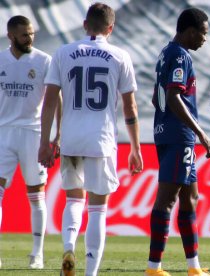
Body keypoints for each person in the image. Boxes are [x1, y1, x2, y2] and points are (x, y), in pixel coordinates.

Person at [38, 3, 143, 276]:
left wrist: (46, 142)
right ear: (111, 28)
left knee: (74, 200)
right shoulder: (120, 56)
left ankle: (69, 245)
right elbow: (130, 109)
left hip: (71, 138)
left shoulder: (63, 52)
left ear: (85, 25)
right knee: (97, 208)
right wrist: (135, 147)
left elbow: (49, 102)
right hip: (102, 140)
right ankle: (90, 273)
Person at [145, 7, 210, 276]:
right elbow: (174, 96)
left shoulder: (166, 52)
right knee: (167, 200)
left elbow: (157, 98)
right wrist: (201, 132)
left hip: (166, 132)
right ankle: (154, 268)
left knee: (191, 197)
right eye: (204, 34)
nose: (205, 39)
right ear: (190, 31)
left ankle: (193, 267)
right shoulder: (180, 56)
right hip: (179, 136)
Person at [0, 15, 61, 270]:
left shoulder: (44, 60)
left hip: (33, 133)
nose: (30, 38)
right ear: (11, 35)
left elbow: (56, 99)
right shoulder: (0, 59)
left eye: (32, 33)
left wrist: (56, 135)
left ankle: (37, 254)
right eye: (25, 34)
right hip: (3, 133)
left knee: (36, 196)